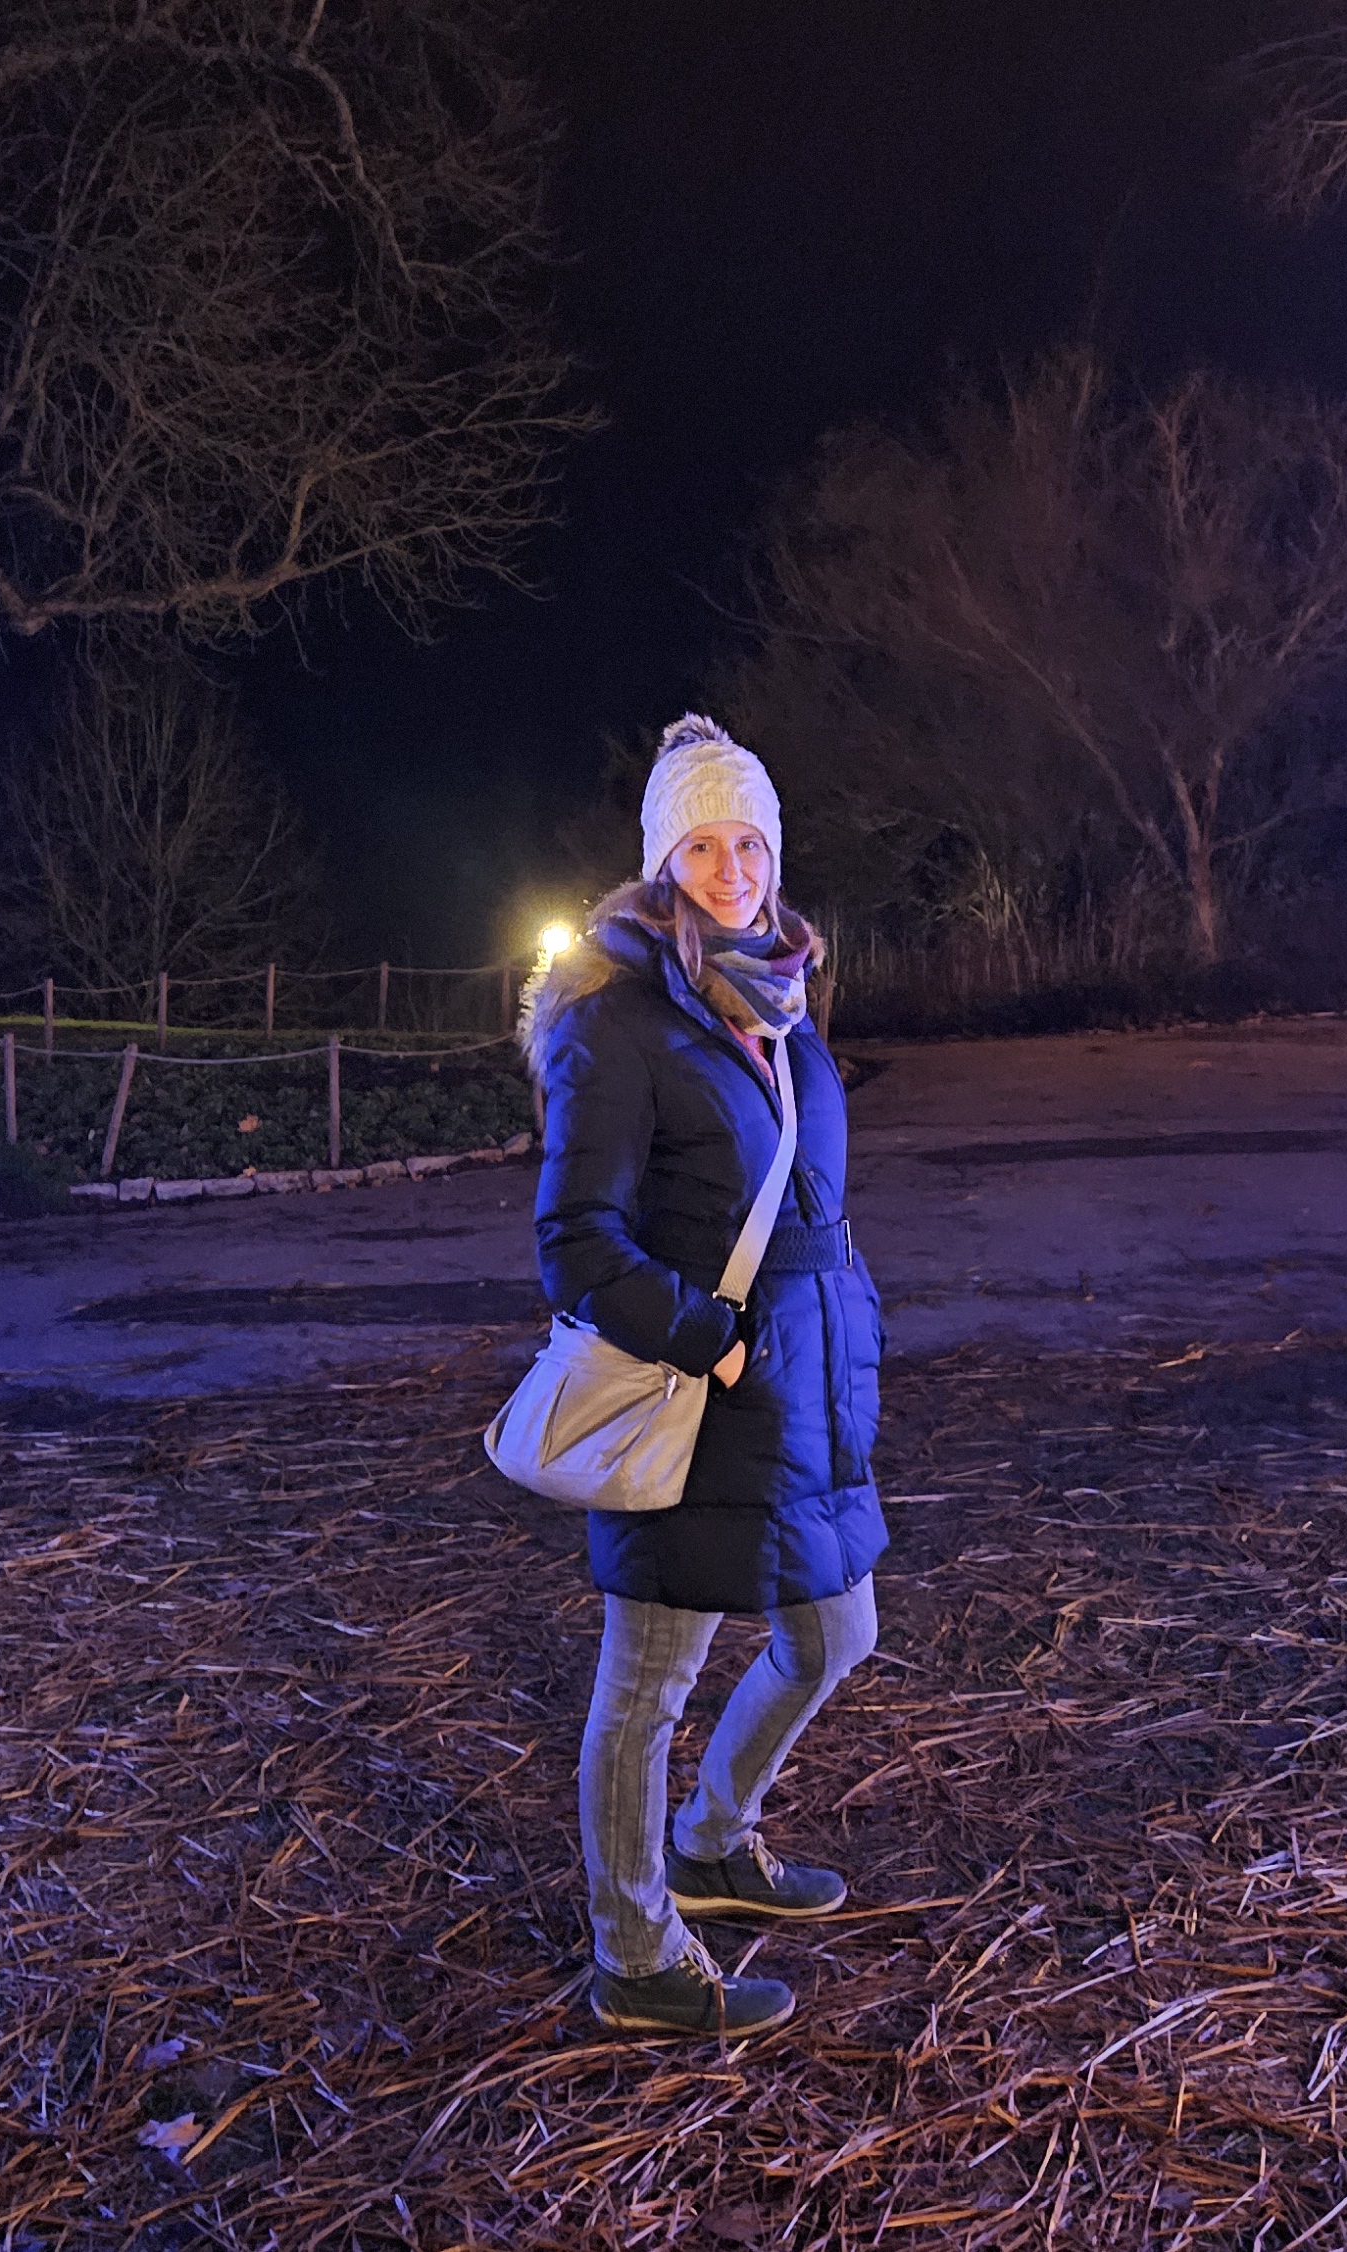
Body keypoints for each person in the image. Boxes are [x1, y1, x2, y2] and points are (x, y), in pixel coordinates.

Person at [528, 715, 886, 2040]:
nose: (731, 867)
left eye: (749, 842)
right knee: (647, 1686)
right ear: (660, 863)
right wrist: (711, 1340)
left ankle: (712, 1841)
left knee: (835, 1632)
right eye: (701, 845)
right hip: (696, 1393)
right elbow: (575, 1241)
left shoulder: (777, 1001)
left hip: (804, 1390)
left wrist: (840, 1324)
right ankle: (635, 1952)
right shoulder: (616, 1021)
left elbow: (803, 1204)